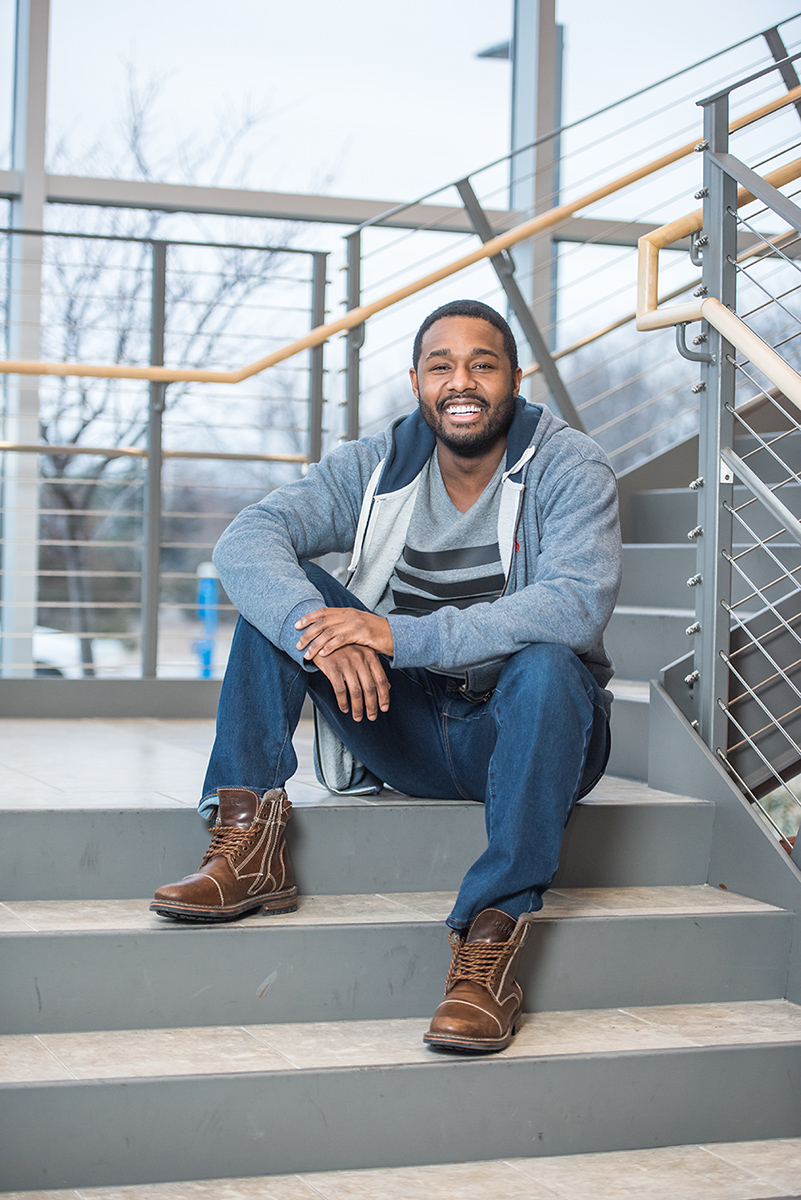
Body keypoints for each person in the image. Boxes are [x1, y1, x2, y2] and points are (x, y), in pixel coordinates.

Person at [151, 299, 622, 1054]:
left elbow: (574, 606)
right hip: (402, 725)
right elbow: (249, 537)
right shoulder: (373, 465)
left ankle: (487, 945)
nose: (459, 380)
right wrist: (324, 639)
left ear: (513, 379)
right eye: (441, 365)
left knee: (547, 664)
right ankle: (248, 842)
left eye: (481, 363)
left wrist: (392, 634)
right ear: (415, 381)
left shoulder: (569, 464)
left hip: (527, 728)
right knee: (288, 603)